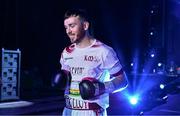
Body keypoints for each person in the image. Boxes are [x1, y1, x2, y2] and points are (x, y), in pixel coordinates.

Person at [60, 9, 128, 116]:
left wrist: (101, 88)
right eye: (66, 27)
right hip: (68, 110)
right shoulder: (66, 52)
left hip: (92, 112)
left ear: (85, 26)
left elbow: (123, 81)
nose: (68, 31)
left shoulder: (104, 51)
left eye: (72, 26)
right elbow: (67, 82)